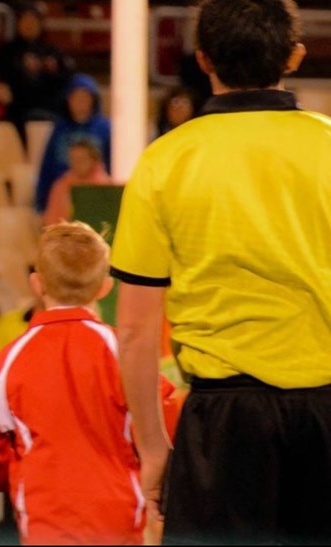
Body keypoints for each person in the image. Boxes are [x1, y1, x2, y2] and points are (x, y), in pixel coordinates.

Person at [111, 0, 331, 544]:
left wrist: (154, 446)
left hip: (222, 425)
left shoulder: (164, 161)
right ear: (295, 56)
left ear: (202, 58)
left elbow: (135, 332)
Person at [0, 222, 178, 544]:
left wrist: (11, 473)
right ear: (105, 287)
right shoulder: (122, 352)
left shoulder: (12, 357)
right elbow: (164, 416)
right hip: (117, 519)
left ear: (37, 284)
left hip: (43, 519)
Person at [35, 73, 111, 213]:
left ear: (93, 100)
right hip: (62, 195)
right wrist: (40, 203)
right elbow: (47, 165)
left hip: (96, 194)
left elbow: (111, 162)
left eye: (84, 97)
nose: (80, 102)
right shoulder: (60, 128)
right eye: (75, 98)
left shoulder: (104, 128)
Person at [0, 4, 74, 133]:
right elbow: (6, 81)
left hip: (51, 106)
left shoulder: (52, 50)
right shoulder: (7, 51)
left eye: (33, 21)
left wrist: (51, 70)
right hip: (21, 109)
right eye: (25, 21)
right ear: (18, 24)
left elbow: (66, 77)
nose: (29, 25)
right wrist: (25, 71)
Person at [42, 139, 112, 226]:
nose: (77, 163)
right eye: (73, 159)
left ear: (93, 160)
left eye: (82, 159)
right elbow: (51, 223)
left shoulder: (105, 186)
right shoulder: (61, 186)